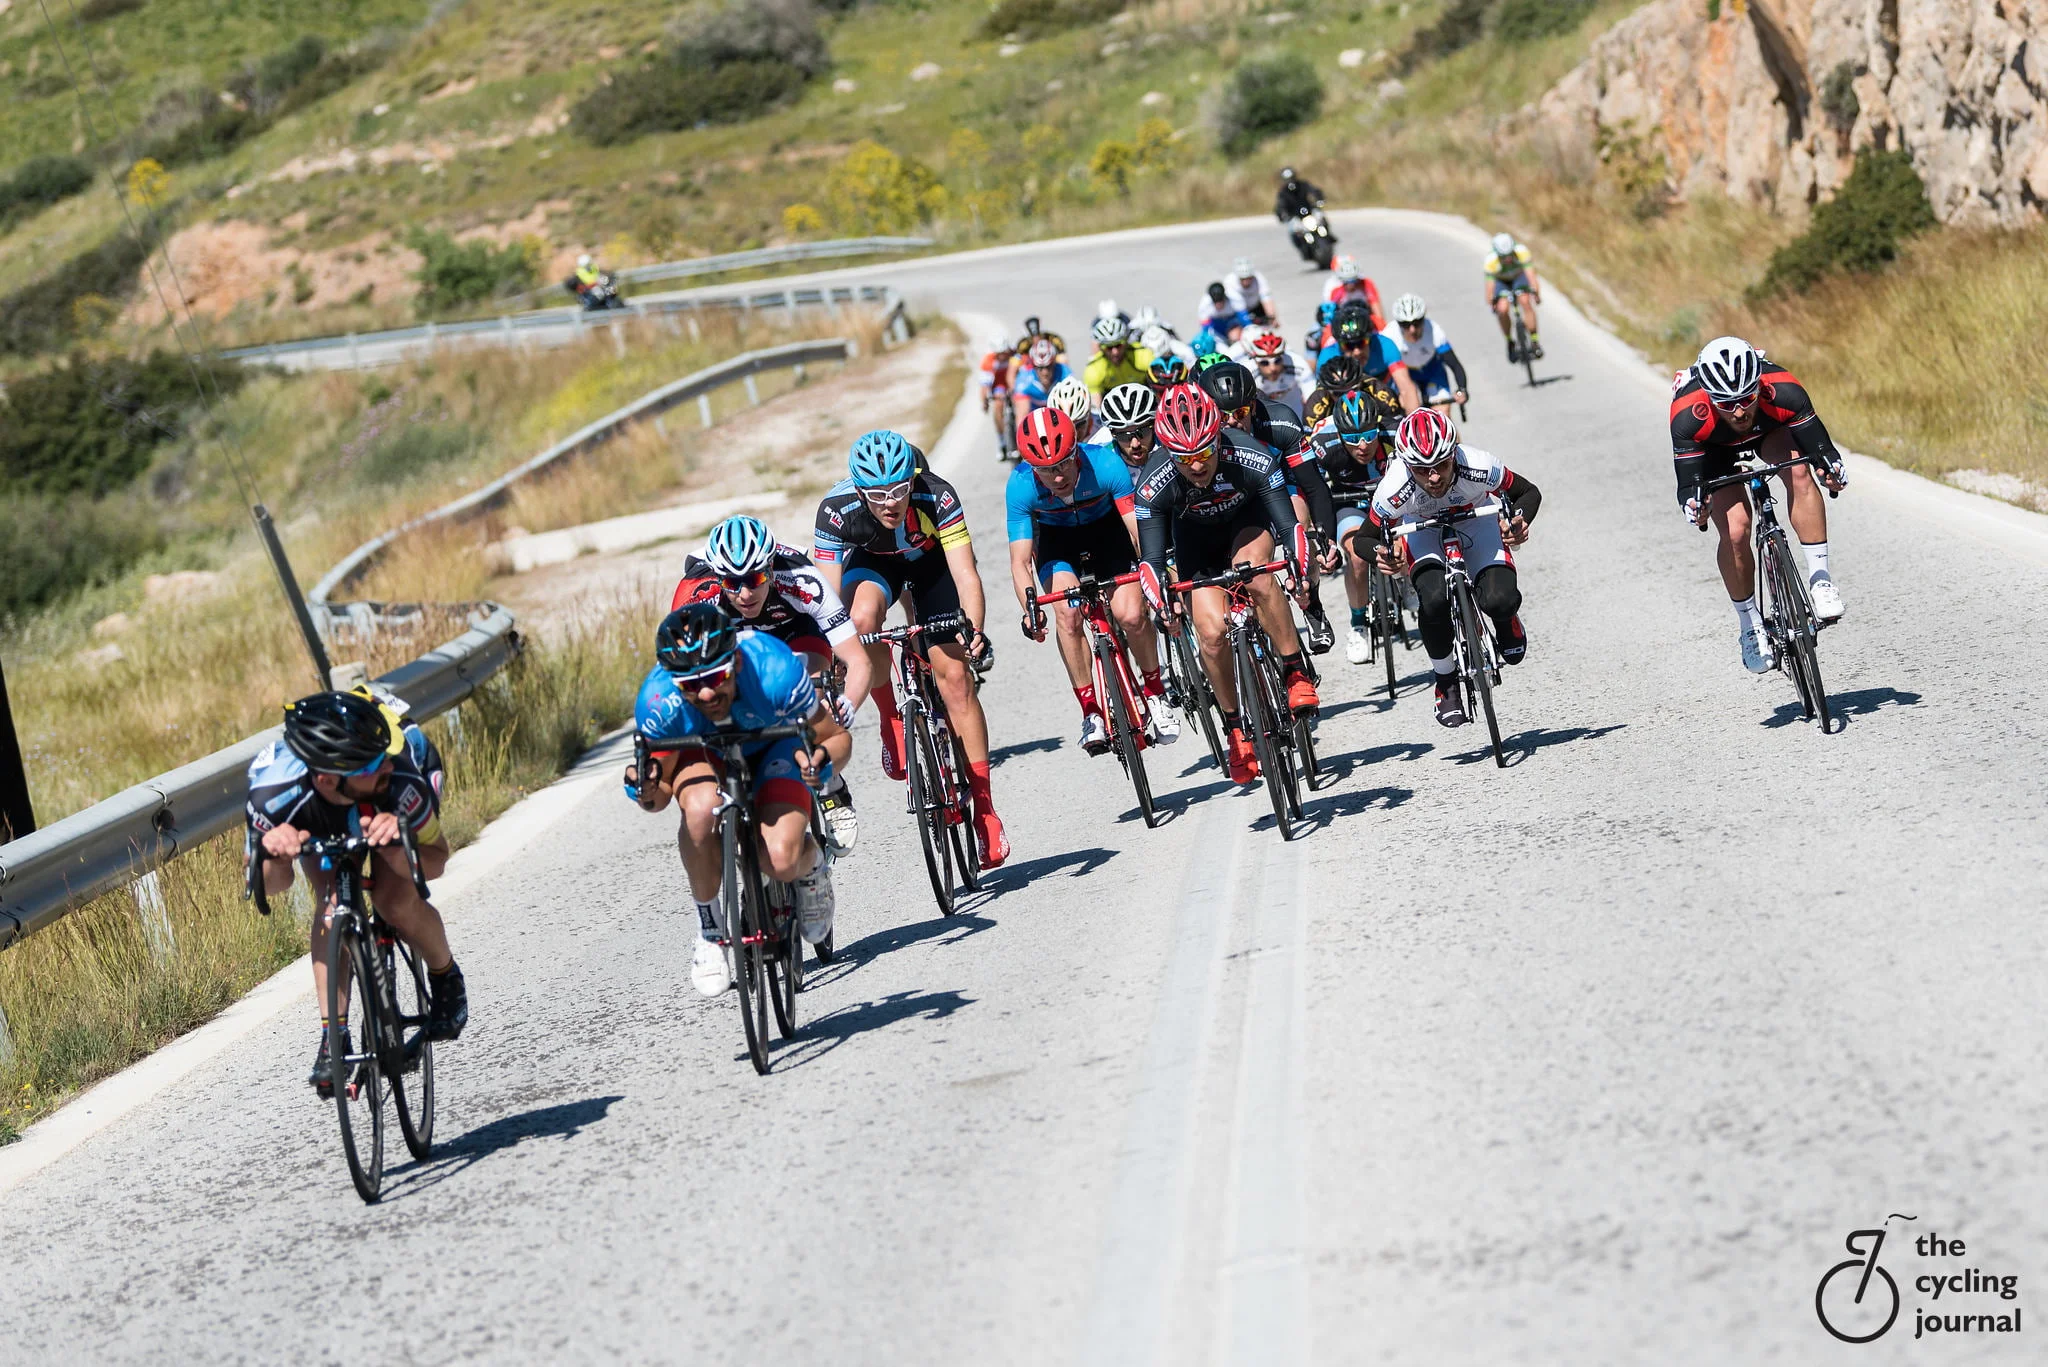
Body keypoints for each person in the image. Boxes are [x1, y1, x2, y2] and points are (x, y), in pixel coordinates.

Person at [247, 687, 465, 1097]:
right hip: (319, 812)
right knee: (331, 905)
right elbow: (273, 886)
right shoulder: (272, 792)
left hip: (392, 796)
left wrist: (399, 848)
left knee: (394, 901)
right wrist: (275, 856)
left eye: (383, 758)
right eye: (372, 765)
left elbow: (436, 864)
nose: (385, 766)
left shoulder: (399, 774)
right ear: (327, 777)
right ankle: (334, 1037)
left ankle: (446, 977)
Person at [624, 604, 849, 998]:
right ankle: (710, 930)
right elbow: (658, 799)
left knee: (780, 860)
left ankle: (812, 866)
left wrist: (821, 762)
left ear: (737, 663)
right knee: (699, 811)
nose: (706, 693)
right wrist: (644, 788)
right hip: (704, 754)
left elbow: (836, 737)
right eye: (691, 685)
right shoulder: (658, 703)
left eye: (716, 677)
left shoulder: (775, 671)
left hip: (775, 744)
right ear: (674, 683)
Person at [812, 431, 1009, 867]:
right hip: (874, 566)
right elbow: (826, 598)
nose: (891, 503)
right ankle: (891, 719)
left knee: (955, 678)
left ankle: (985, 809)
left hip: (932, 567)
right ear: (858, 491)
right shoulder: (835, 510)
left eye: (900, 489)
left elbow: (966, 575)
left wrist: (973, 628)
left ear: (913, 478)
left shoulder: (937, 495)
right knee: (861, 622)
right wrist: (834, 653)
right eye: (877, 495)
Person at [1135, 385, 1319, 785]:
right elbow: (1151, 561)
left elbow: (1289, 526)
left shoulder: (1250, 454)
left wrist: (1301, 574)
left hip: (1246, 524)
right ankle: (1235, 728)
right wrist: (1162, 605)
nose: (1196, 466)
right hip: (1194, 544)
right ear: (1168, 452)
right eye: (1184, 459)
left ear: (1218, 438)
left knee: (1255, 573)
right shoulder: (1153, 482)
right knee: (1211, 633)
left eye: (1204, 453)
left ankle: (1294, 672)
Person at [668, 514, 870, 853]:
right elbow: (677, 671)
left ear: (771, 569)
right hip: (731, 640)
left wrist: (845, 704)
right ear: (717, 577)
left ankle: (830, 789)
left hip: (796, 631)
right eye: (732, 583)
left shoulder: (801, 578)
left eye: (755, 578)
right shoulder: (697, 593)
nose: (745, 593)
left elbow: (859, 661)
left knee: (808, 695)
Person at [1674, 336, 1848, 671]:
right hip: (1714, 449)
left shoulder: (1783, 388)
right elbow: (1688, 487)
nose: (1739, 411)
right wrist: (1697, 507)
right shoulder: (1688, 413)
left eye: (1746, 398)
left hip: (1769, 432)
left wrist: (1831, 471)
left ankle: (1821, 580)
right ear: (1708, 396)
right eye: (1726, 403)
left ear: (1759, 385)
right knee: (1736, 530)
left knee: (1800, 472)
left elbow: (1823, 451)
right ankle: (1750, 624)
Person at [1007, 407, 1176, 751]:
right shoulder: (1019, 485)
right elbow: (1021, 561)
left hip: (1108, 535)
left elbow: (1137, 531)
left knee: (1131, 615)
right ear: (1031, 468)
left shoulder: (1105, 464)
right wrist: (1030, 609)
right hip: (1057, 545)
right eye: (1045, 470)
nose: (1057, 477)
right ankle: (1091, 712)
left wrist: (1155, 578)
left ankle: (1155, 692)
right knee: (1068, 615)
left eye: (1063, 464)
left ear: (1076, 451)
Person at [1370, 409, 1541, 728]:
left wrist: (1518, 520)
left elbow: (1528, 492)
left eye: (1442, 465)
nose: (1433, 477)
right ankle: (1445, 681)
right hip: (1423, 532)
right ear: (1407, 465)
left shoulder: (1478, 464)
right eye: (1422, 470)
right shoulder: (1394, 486)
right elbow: (1366, 537)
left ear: (1454, 454)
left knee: (1499, 600)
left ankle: (1505, 619)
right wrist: (1384, 553)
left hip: (1477, 522)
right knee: (1434, 600)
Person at [1198, 359, 1341, 654]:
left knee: (1300, 526)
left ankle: (1311, 602)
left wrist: (1327, 539)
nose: (1232, 422)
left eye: (1240, 413)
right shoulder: (1199, 435)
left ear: (1253, 406)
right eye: (1222, 416)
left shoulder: (1279, 422)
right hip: (1234, 496)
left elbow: (1313, 485)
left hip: (1281, 484)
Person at [1307, 389, 1400, 665]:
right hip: (1349, 502)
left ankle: (1405, 580)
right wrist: (1321, 536)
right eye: (1352, 439)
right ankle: (1358, 625)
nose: (1362, 445)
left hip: (1390, 500)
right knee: (1357, 557)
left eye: (1369, 435)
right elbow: (1313, 491)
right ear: (1339, 435)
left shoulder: (1395, 434)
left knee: (1406, 543)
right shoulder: (1322, 444)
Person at [1320, 303, 1421, 413]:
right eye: (1349, 346)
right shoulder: (1327, 357)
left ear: (1370, 337)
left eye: (1362, 342)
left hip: (1386, 402)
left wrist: (1414, 418)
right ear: (1338, 345)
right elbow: (1320, 401)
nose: (1357, 351)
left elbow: (1406, 388)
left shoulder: (1385, 346)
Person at [1387, 293, 1469, 416]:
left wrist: (1462, 389)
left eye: (1417, 323)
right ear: (1398, 323)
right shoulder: (1389, 335)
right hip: (1406, 375)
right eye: (1406, 325)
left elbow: (1454, 364)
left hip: (1432, 372)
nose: (1412, 329)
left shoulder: (1434, 330)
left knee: (1442, 415)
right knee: (1411, 413)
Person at [1483, 231, 1543, 362]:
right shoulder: (1490, 261)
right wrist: (1492, 302)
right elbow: (1490, 287)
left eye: (1510, 255)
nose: (1508, 259)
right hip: (1502, 281)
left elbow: (1531, 275)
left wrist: (1536, 293)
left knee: (1525, 301)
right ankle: (1510, 341)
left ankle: (1534, 341)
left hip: (1518, 277)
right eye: (1503, 257)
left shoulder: (1521, 252)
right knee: (1503, 308)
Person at [1234, 328, 1315, 418]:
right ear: (1255, 361)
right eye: (1265, 363)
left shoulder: (1297, 363)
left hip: (1294, 410)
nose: (1273, 368)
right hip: (1264, 414)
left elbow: (1312, 395)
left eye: (1277, 361)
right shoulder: (1247, 371)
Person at [1083, 316, 1154, 399]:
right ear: (1101, 348)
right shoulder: (1093, 369)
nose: (1115, 352)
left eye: (1118, 345)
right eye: (1109, 347)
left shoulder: (1143, 355)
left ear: (1126, 342)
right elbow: (1096, 403)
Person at [1012, 338, 1073, 427]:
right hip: (1033, 412)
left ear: (1054, 364)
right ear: (1033, 367)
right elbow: (1022, 417)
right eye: (1040, 368)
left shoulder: (1064, 372)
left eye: (1048, 367)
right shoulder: (1024, 380)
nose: (1045, 372)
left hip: (1057, 409)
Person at [1097, 382, 1159, 472]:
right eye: (1124, 436)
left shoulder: (1169, 446)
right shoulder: (1101, 459)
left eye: (1142, 432)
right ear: (1112, 433)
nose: (1135, 444)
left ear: (1154, 425)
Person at [979, 334, 1019, 454]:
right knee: (997, 406)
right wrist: (984, 401)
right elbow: (984, 385)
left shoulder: (1014, 353)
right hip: (999, 384)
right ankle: (1002, 442)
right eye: (999, 354)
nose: (1002, 356)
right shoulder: (988, 361)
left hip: (1014, 380)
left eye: (1004, 353)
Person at [1324, 256, 1384, 331]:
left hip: (1366, 319)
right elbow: (1332, 313)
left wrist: (1380, 324)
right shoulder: (1336, 292)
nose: (1350, 285)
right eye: (1346, 282)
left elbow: (1376, 306)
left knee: (1380, 325)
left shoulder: (1366, 284)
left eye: (1353, 281)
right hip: (1345, 322)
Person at [1193, 281, 1252, 351]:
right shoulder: (1204, 305)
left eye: (1220, 301)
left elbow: (1246, 321)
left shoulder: (1234, 298)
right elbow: (1206, 330)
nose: (1218, 305)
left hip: (1232, 324)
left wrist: (1249, 335)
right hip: (1216, 327)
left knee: (1235, 336)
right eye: (1215, 302)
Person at [1226, 257, 1277, 327]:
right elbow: (1240, 307)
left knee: (1267, 327)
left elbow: (1266, 298)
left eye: (1249, 278)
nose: (1246, 281)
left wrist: (1272, 318)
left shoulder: (1259, 278)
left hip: (1256, 307)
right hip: (1238, 311)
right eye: (1243, 279)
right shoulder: (1230, 282)